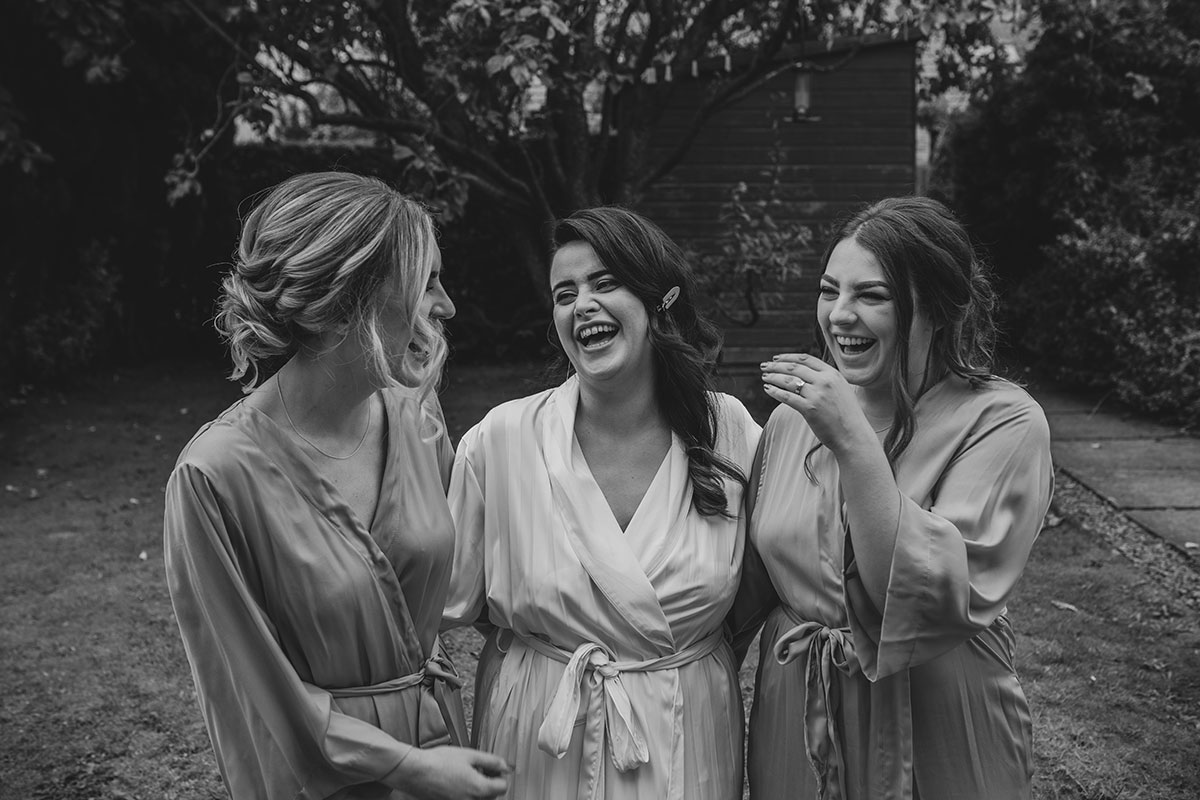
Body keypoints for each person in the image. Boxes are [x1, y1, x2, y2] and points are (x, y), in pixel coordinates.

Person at [163, 172, 509, 800]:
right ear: (354, 296)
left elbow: (463, 592)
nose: (447, 306)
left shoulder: (417, 419)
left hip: (446, 752)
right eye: (426, 282)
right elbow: (250, 690)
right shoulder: (214, 477)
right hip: (325, 783)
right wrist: (403, 767)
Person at [739, 196, 1054, 799]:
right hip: (798, 712)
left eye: (872, 296)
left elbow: (907, 596)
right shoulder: (789, 423)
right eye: (830, 291)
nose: (840, 315)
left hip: (938, 715)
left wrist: (854, 442)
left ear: (937, 308)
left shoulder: (1004, 423)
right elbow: (745, 588)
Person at [443, 206, 761, 800]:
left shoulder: (730, 433)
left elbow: (760, 591)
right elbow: (448, 601)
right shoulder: (499, 440)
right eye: (565, 294)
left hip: (684, 735)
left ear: (659, 301)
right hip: (538, 739)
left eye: (604, 283)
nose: (580, 304)